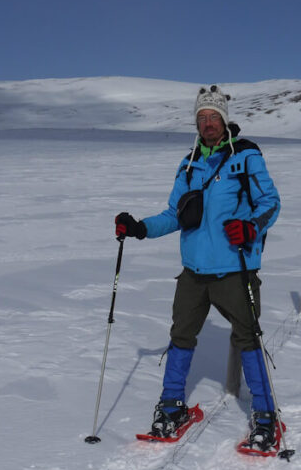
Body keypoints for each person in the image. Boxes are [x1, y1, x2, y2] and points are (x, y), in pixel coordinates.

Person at [114, 84, 282, 450]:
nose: (207, 123)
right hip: (193, 271)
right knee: (181, 336)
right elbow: (175, 214)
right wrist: (141, 228)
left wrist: (251, 226)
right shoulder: (188, 163)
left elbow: (271, 202)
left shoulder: (246, 156)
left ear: (224, 119)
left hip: (235, 268)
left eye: (213, 117)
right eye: (201, 118)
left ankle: (266, 416)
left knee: (247, 338)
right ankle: (172, 406)